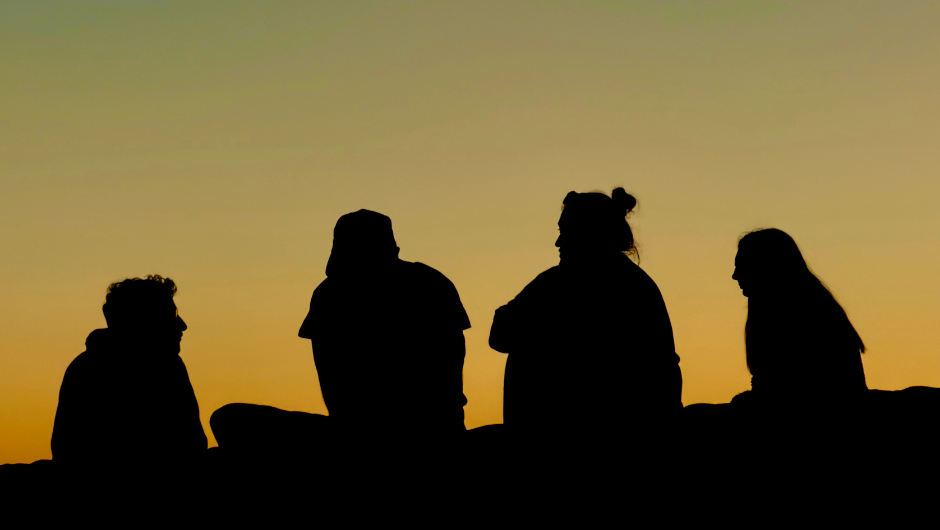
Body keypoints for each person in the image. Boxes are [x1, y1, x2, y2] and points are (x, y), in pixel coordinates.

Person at [211, 209, 470, 453]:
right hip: (430, 429)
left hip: (374, 433)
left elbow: (333, 383)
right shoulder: (432, 282)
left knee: (230, 418)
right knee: (229, 417)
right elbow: (452, 361)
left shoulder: (331, 293)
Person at [489, 188, 681, 435]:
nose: (558, 242)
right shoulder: (637, 284)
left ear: (590, 233)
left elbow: (501, 333)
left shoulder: (559, 284)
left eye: (566, 232)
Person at [51, 275, 207, 467]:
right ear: (144, 319)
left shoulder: (170, 365)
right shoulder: (91, 372)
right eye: (172, 315)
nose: (182, 325)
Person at [731, 228, 867, 408]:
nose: (735, 275)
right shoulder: (815, 309)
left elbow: (788, 392)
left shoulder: (813, 318)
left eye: (743, 266)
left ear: (767, 267)